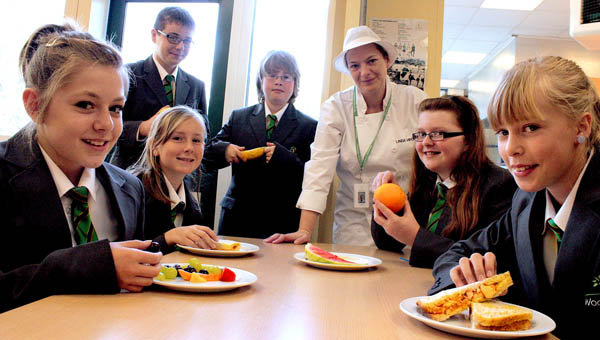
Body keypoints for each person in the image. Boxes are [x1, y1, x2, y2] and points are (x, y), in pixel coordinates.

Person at [430, 56, 600, 337]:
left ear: (581, 127)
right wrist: (464, 275)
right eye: (503, 132)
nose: (510, 149)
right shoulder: (525, 203)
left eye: (530, 128)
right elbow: (455, 254)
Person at [0, 25, 161, 313]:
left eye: (116, 108)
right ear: (35, 105)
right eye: (86, 105)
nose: (106, 125)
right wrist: (92, 266)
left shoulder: (130, 189)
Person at [266, 26, 426, 246]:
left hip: (405, 216)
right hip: (354, 220)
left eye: (371, 61)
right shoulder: (336, 106)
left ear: (386, 60)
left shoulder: (414, 100)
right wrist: (305, 230)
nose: (364, 72)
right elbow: (320, 167)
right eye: (355, 65)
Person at [370, 96, 516, 268]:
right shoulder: (429, 182)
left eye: (438, 134)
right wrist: (391, 204)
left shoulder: (499, 185)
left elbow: (480, 261)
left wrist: (414, 237)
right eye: (421, 134)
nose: (426, 142)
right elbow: (388, 244)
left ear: (468, 140)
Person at [204, 50, 317, 238]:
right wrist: (225, 149)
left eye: (286, 77)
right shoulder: (239, 117)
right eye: (272, 75)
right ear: (261, 80)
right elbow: (206, 155)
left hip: (282, 221)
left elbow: (314, 176)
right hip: (237, 218)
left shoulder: (309, 126)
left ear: (295, 83)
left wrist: (284, 158)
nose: (279, 81)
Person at [110, 6, 208, 169]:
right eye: (173, 38)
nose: (180, 47)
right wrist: (143, 128)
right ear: (154, 35)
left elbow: (204, 135)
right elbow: (109, 124)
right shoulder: (128, 74)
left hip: (177, 177)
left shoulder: (196, 85)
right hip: (131, 174)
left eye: (187, 41)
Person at [129, 106, 218, 253]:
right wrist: (168, 238)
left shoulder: (192, 205)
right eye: (177, 138)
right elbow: (126, 255)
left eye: (196, 140)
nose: (189, 147)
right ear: (155, 146)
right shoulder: (133, 190)